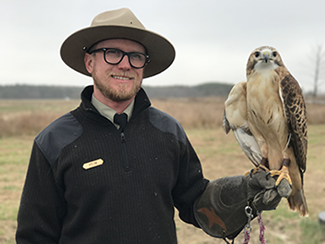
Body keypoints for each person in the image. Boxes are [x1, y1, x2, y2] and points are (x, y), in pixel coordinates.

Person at [16, 8, 291, 244]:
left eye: (136, 57)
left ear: (144, 67)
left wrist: (243, 195)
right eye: (112, 53)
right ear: (90, 62)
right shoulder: (53, 141)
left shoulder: (169, 131)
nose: (125, 65)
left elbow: (195, 204)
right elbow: (34, 235)